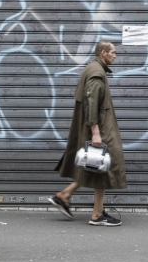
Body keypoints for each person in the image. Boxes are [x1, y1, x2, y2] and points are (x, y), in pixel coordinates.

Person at [48, 40, 126, 226]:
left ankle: (65, 195)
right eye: (113, 52)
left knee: (96, 165)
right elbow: (92, 103)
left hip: (100, 126)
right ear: (103, 53)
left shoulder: (93, 68)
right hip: (101, 128)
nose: (116, 55)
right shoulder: (97, 73)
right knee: (104, 164)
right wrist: (96, 132)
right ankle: (97, 214)